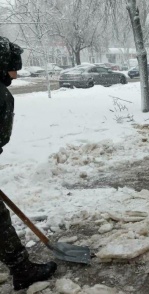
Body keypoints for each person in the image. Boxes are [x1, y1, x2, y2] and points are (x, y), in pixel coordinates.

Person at [0, 36, 57, 291]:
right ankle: (22, 270)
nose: (16, 74)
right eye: (13, 67)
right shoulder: (1, 95)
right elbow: (1, 136)